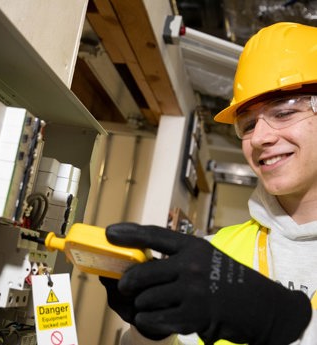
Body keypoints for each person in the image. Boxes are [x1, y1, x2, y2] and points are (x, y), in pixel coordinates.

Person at [100, 21, 317, 345]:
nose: (258, 137)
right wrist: (151, 333)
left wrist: (284, 323)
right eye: (247, 124)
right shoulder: (215, 257)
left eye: (283, 112)